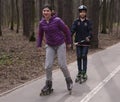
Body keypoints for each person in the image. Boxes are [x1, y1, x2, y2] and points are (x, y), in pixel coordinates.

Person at [37, 4, 73, 95]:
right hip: (50, 45)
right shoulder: (42, 23)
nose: (45, 12)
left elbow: (66, 31)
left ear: (51, 12)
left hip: (60, 44)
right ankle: (48, 84)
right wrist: (38, 45)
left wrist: (69, 42)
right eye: (44, 11)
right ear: (42, 12)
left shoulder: (57, 21)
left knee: (62, 65)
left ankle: (69, 81)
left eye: (47, 11)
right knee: (48, 66)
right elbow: (40, 34)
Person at [71, 5, 92, 83]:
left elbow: (90, 31)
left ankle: (84, 73)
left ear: (85, 12)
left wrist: (89, 36)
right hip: (78, 42)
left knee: (84, 56)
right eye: (81, 12)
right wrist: (69, 36)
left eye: (84, 12)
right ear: (79, 13)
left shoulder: (88, 22)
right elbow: (72, 30)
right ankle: (79, 72)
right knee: (79, 56)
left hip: (85, 43)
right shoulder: (76, 22)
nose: (82, 13)